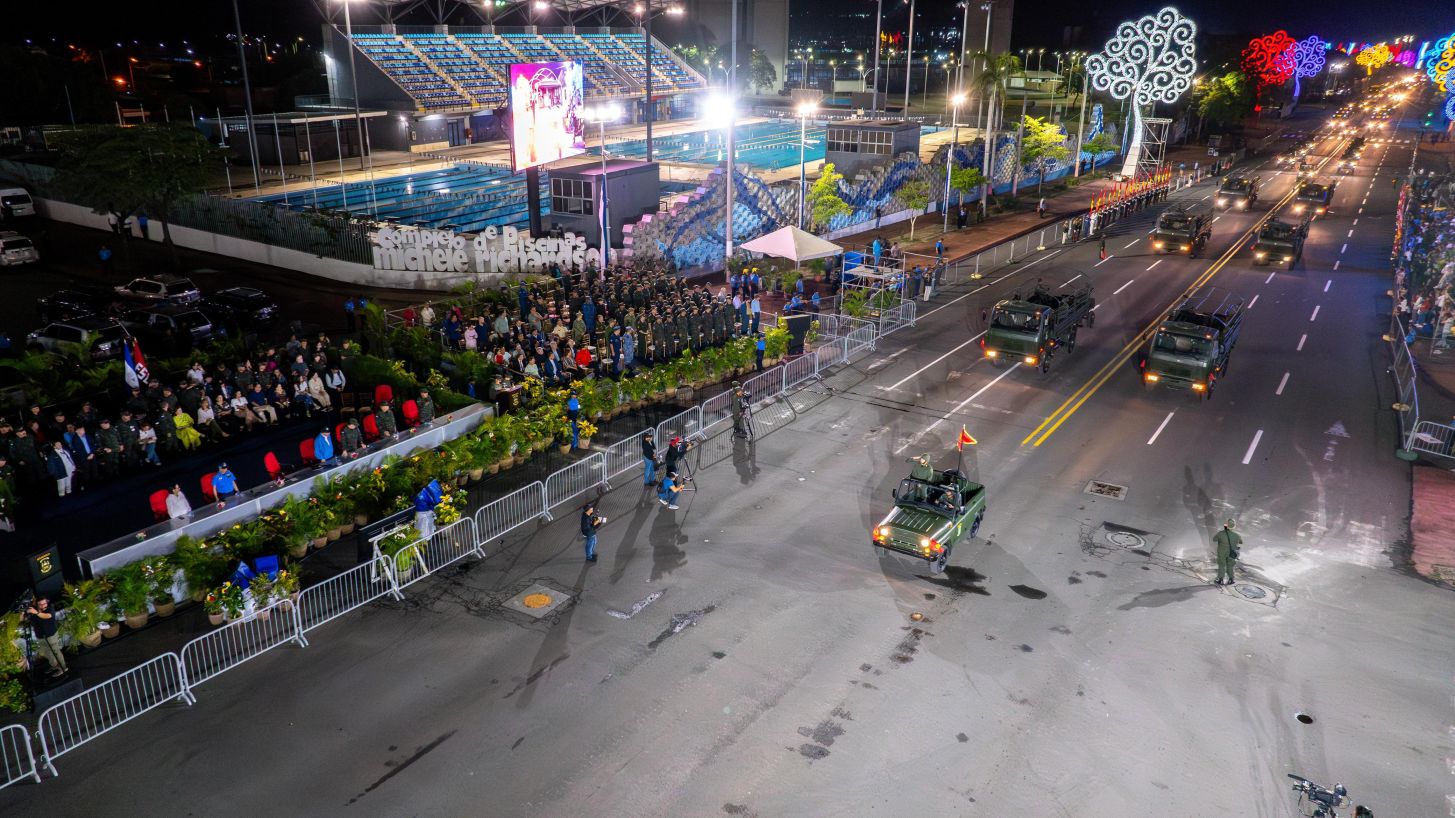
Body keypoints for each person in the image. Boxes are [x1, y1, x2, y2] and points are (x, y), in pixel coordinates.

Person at [26, 597, 67, 677]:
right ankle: (55, 665)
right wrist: (24, 613)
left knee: (55, 651)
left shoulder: (49, 609)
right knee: (46, 652)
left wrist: (36, 613)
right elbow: (25, 619)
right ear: (37, 604)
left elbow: (47, 616)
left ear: (47, 603)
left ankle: (63, 668)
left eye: (44, 603)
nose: (43, 605)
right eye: (40, 604)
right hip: (40, 636)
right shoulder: (33, 610)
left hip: (51, 635)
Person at [1213, 519, 1243, 585]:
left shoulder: (1221, 533)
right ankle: (1231, 580)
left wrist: (1224, 531)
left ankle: (1220, 580)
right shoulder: (1236, 535)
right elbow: (1241, 542)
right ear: (1234, 526)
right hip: (1231, 553)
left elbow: (1214, 539)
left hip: (1222, 552)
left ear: (1226, 525)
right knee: (1230, 566)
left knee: (1222, 565)